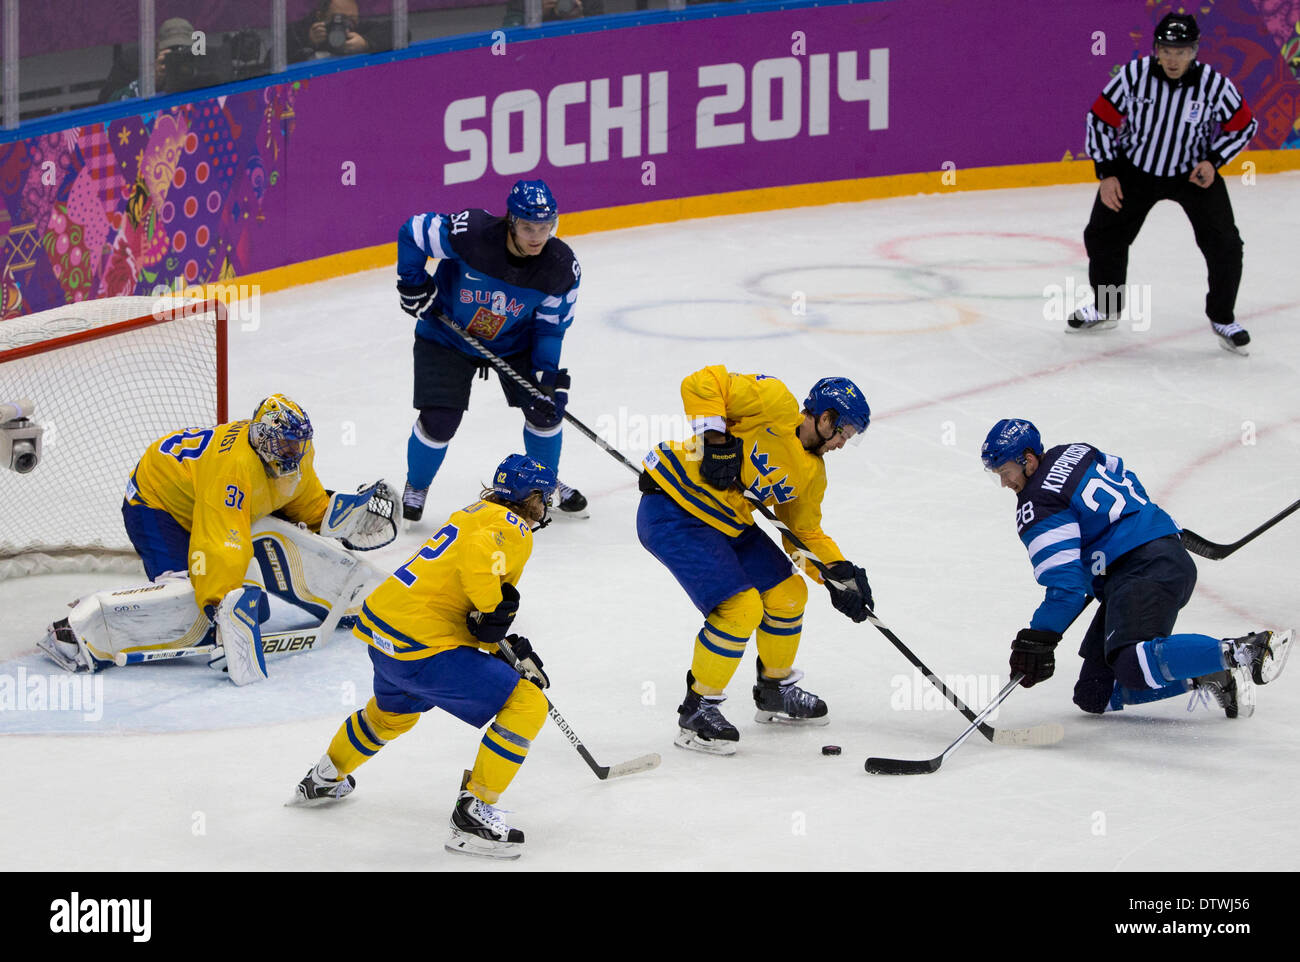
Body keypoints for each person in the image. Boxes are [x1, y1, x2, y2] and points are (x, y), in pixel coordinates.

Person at [288, 453, 557, 861]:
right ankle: (472, 818)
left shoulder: (473, 512)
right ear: (530, 497)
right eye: (543, 497)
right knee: (527, 701)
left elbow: (458, 599)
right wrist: (492, 609)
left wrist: (494, 638)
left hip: (386, 633)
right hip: (421, 646)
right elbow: (480, 563)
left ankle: (324, 777)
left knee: (390, 715)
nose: (545, 506)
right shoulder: (513, 526)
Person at [37, 394, 395, 685]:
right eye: (286, 445)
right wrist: (221, 608)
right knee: (194, 610)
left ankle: (349, 596)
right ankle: (81, 630)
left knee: (257, 607)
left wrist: (336, 519)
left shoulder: (294, 455)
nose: (294, 452)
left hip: (202, 498)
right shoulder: (233, 469)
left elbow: (300, 498)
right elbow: (220, 543)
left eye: (298, 443)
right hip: (156, 504)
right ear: (266, 440)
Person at [981, 418, 1292, 720]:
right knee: (1094, 693)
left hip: (1143, 571)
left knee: (1132, 664)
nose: (1005, 483)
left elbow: (1067, 588)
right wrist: (1140, 529)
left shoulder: (1038, 504)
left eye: (1006, 472)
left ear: (1029, 459)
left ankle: (1243, 652)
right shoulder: (1075, 451)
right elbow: (1122, 473)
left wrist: (1038, 638)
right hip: (1152, 562)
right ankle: (1211, 675)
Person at [636, 367, 875, 754]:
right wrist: (715, 440)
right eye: (843, 433)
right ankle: (698, 711)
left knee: (789, 593)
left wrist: (838, 575)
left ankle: (775, 690)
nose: (842, 444)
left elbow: (803, 534)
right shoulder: (773, 404)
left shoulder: (812, 473)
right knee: (740, 607)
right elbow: (701, 382)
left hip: (728, 522)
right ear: (826, 418)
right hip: (673, 510)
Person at [395, 179, 587, 523]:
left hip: (514, 342)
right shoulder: (473, 233)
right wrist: (412, 282)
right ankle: (417, 485)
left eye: (545, 227)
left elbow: (549, 326)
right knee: (440, 419)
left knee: (545, 409)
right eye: (528, 226)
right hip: (446, 334)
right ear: (511, 220)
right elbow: (414, 231)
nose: (536, 237)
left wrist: (545, 373)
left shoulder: (560, 267)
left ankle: (541, 485)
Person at [1072, 13, 1258, 355]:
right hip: (1136, 170)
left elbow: (1244, 124)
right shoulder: (1133, 76)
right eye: (1167, 50)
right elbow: (1099, 118)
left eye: (1182, 51)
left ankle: (1223, 317)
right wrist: (1108, 172)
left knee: (1226, 244)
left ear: (1195, 51)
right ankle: (1106, 307)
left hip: (1192, 175)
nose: (1174, 58)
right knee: (1103, 234)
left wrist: (1213, 161)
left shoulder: (1214, 85)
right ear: (1157, 49)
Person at [287, 0, 390, 63]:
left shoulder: (359, 30)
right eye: (339, 19)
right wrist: (308, 43)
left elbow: (399, 32)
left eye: (352, 19)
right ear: (321, 16)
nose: (346, 25)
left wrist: (366, 43)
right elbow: (274, 61)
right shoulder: (302, 31)